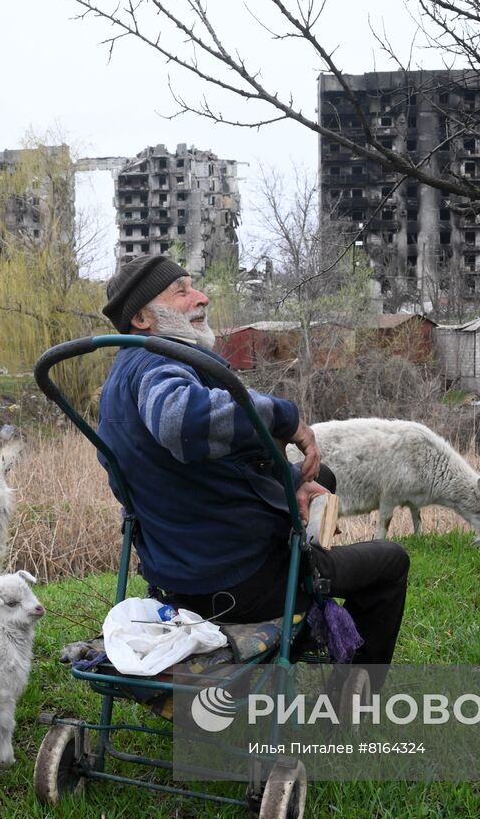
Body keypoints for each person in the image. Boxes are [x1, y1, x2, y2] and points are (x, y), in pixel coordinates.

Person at [96, 254, 410, 678]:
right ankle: (351, 710)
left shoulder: (122, 377)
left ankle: (305, 543)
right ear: (141, 318)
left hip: (179, 574)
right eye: (183, 291)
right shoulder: (158, 365)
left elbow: (192, 468)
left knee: (319, 477)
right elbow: (182, 422)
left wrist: (287, 479)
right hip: (236, 584)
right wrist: (285, 416)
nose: (202, 298)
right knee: (391, 562)